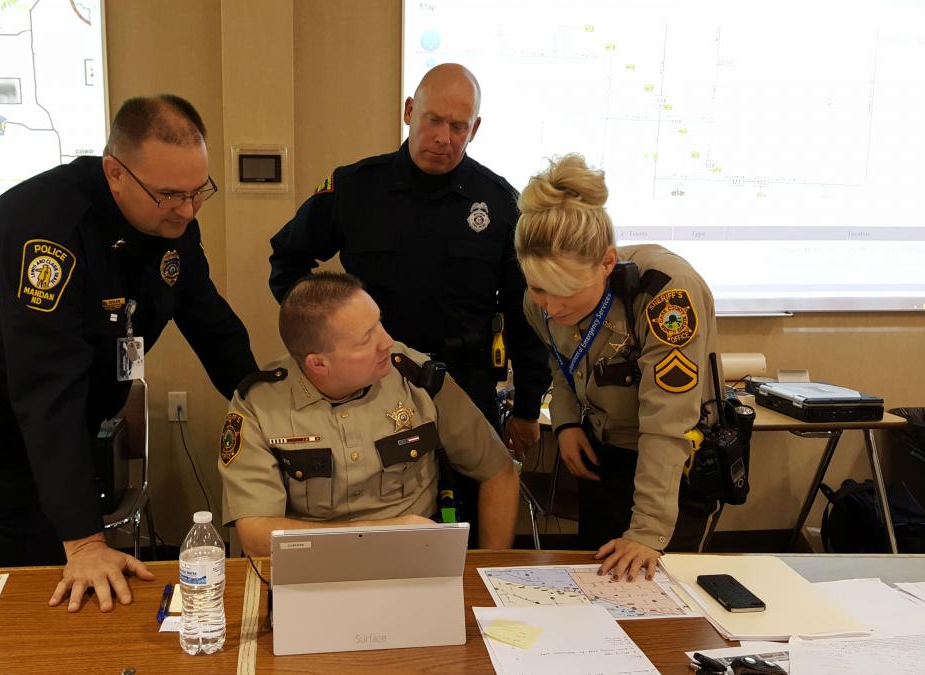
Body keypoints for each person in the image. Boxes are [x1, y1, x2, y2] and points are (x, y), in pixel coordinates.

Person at [0, 95, 257, 612]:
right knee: (33, 597)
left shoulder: (171, 221)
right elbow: (45, 389)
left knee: (90, 588)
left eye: (197, 192)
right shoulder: (44, 228)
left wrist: (262, 403)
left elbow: (209, 320)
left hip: (68, 429)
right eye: (169, 195)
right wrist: (84, 542)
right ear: (115, 172)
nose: (187, 211)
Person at [268, 63, 549, 533]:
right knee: (379, 516)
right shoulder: (356, 188)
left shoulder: (499, 203)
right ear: (409, 112)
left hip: (464, 382)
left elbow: (526, 312)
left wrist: (527, 407)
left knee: (471, 519)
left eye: (458, 126)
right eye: (433, 120)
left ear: (474, 130)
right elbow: (288, 261)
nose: (443, 137)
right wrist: (322, 336)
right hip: (375, 380)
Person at [515, 154, 720, 582]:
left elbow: (668, 422)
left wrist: (647, 532)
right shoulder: (538, 303)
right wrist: (568, 422)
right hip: (602, 453)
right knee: (598, 582)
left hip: (670, 463)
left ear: (607, 263)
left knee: (659, 596)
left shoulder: (664, 295)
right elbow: (560, 360)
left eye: (566, 292)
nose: (551, 307)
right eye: (538, 289)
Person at [217, 272, 519, 558]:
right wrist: (384, 533)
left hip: (416, 562)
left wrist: (484, 575)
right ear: (318, 364)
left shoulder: (417, 378)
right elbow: (256, 535)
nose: (386, 341)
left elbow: (499, 472)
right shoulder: (259, 405)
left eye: (379, 322)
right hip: (312, 567)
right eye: (366, 339)